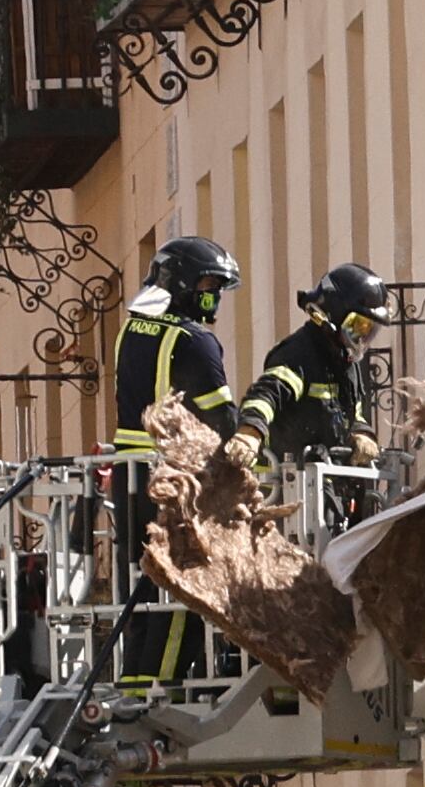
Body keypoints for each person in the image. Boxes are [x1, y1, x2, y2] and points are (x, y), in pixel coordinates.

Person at [112, 236, 241, 687]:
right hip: (173, 488)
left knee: (143, 588)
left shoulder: (131, 329)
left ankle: (134, 681)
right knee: (181, 590)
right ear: (184, 284)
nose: (215, 297)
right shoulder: (195, 341)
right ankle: (156, 690)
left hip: (129, 482)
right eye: (210, 285)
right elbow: (224, 420)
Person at [224, 263, 390, 469]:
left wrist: (362, 433)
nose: (364, 336)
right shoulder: (297, 354)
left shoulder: (346, 362)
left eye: (370, 329)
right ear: (335, 315)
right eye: (359, 326)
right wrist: (250, 432)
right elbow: (266, 395)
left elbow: (352, 411)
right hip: (287, 484)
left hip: (329, 482)